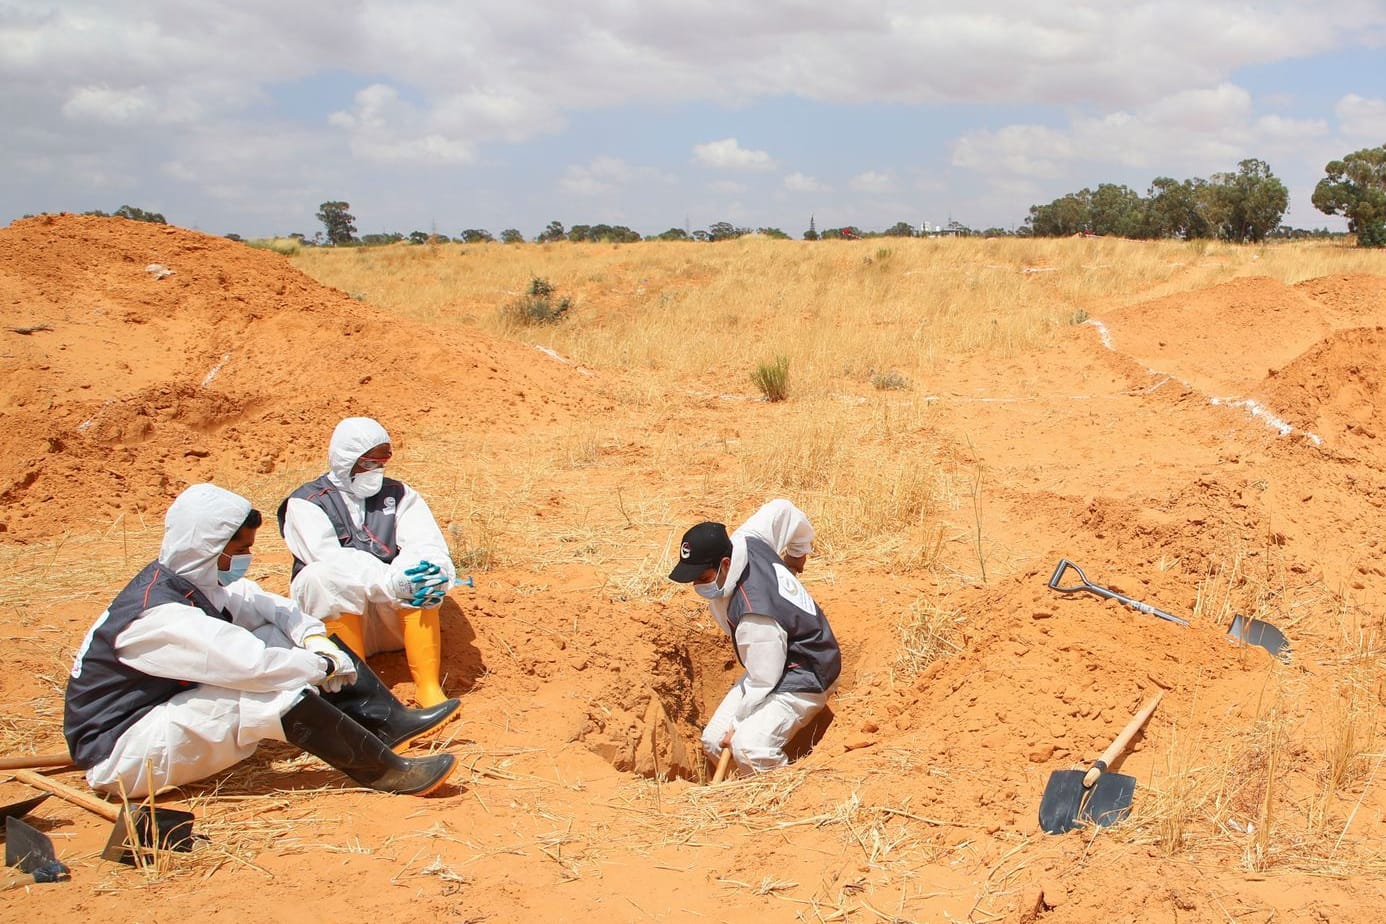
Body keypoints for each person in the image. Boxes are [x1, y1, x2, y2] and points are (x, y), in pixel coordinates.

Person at [63, 483, 458, 800]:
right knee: (265, 693)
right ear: (209, 550)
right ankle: (385, 772)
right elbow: (254, 667)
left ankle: (386, 722)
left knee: (277, 635)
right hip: (123, 754)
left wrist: (313, 638)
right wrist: (322, 665)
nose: (246, 559)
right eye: (240, 551)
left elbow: (268, 607)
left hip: (157, 711)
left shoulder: (194, 581)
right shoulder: (158, 618)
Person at [278, 417, 457, 707]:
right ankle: (358, 695)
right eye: (368, 463)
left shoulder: (400, 494)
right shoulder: (307, 502)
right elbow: (330, 560)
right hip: (340, 622)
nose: (375, 470)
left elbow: (425, 541)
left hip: (393, 619)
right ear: (345, 460)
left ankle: (428, 688)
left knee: (425, 574)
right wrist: (390, 583)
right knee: (319, 577)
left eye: (381, 462)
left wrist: (416, 575)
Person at [668, 499, 841, 778]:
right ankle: (740, 794)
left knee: (749, 748)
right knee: (713, 741)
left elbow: (764, 679)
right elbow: (784, 510)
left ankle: (779, 800)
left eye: (702, 576)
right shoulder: (747, 539)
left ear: (725, 563)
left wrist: (738, 723)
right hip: (774, 658)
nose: (697, 585)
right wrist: (796, 557)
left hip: (806, 670)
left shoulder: (754, 615)